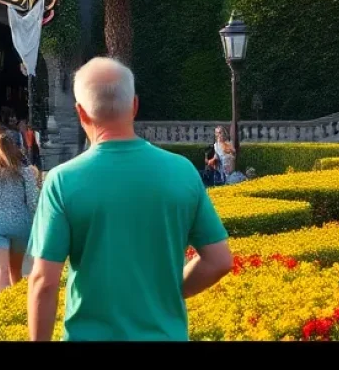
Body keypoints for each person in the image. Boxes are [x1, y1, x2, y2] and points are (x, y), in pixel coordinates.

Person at [27, 58, 233, 342]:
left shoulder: (63, 181)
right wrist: (168, 293)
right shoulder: (181, 171)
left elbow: (44, 282)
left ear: (80, 113)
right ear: (134, 105)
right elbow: (219, 261)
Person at [0, 130, 39, 292]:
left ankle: (2, 306)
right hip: (21, 223)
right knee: (16, 270)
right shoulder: (26, 172)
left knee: (0, 271)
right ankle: (16, 305)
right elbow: (33, 202)